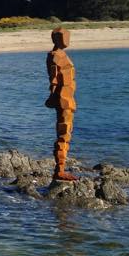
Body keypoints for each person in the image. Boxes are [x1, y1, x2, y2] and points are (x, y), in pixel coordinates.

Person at [45, 27, 78, 181]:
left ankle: (61, 168)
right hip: (63, 99)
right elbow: (54, 79)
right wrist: (53, 96)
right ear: (57, 39)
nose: (68, 39)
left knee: (66, 131)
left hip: (68, 98)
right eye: (65, 36)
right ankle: (60, 169)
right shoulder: (55, 56)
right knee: (64, 132)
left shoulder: (62, 55)